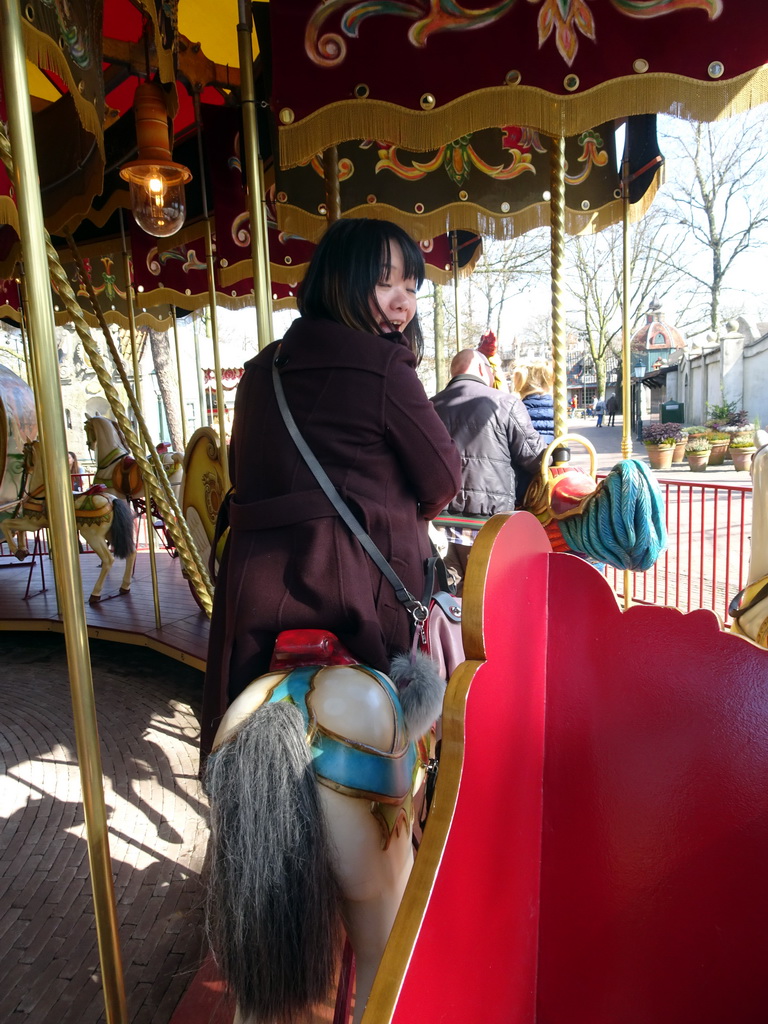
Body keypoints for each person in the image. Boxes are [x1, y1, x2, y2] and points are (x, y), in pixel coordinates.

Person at [200, 219, 461, 757]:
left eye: (411, 287)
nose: (402, 303)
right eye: (385, 283)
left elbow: (246, 469)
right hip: (352, 596)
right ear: (343, 281)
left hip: (253, 597)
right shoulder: (385, 366)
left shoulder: (258, 372)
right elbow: (444, 479)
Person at [430, 348, 547, 594]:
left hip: (440, 523)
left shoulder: (430, 407)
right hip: (488, 523)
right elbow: (535, 458)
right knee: (487, 596)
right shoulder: (505, 403)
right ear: (484, 369)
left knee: (450, 597)